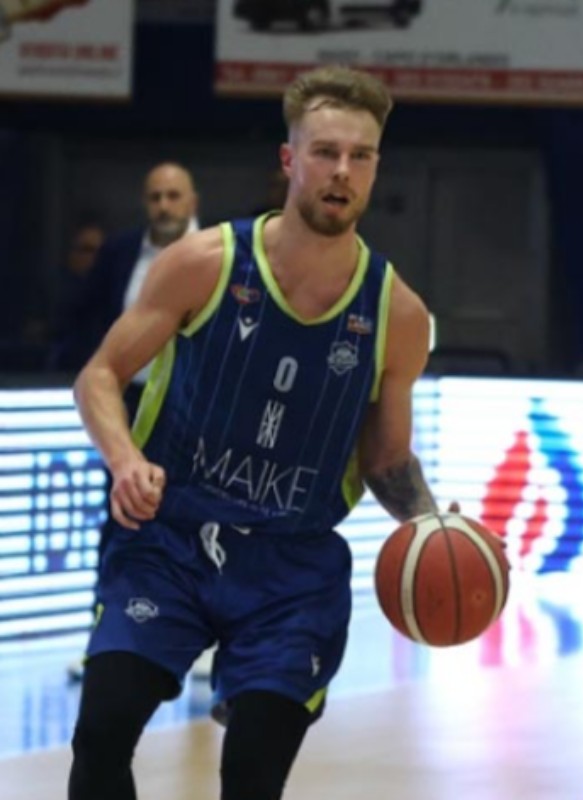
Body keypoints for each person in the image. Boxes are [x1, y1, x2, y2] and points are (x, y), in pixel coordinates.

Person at [67, 64, 444, 800]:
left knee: (251, 776)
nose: (342, 172)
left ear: (375, 167)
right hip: (170, 540)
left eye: (360, 156)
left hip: (291, 568)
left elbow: (387, 460)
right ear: (289, 159)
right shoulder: (204, 263)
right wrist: (124, 459)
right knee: (103, 731)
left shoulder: (397, 314)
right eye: (325, 152)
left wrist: (434, 527)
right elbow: (100, 376)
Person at [65, 162, 215, 680]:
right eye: (155, 196)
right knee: (121, 517)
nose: (164, 206)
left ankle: (205, 641)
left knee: (203, 523)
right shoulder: (120, 252)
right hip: (130, 403)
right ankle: (103, 639)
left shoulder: (221, 255)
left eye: (174, 195)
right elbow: (86, 317)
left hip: (199, 405)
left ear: (193, 201)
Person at [47, 220, 106, 372]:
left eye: (101, 252)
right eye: (87, 250)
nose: (95, 257)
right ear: (71, 254)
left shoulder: (112, 297)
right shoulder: (53, 292)